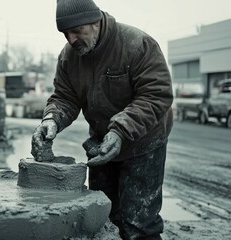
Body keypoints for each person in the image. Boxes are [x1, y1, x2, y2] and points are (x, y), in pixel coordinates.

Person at [31, 0, 174, 239]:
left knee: (138, 223)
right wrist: (51, 120)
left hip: (143, 143)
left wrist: (120, 130)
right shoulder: (69, 57)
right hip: (101, 141)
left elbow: (155, 94)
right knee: (103, 216)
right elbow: (64, 96)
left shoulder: (137, 44)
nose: (71, 39)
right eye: (66, 33)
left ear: (96, 22)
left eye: (77, 31)